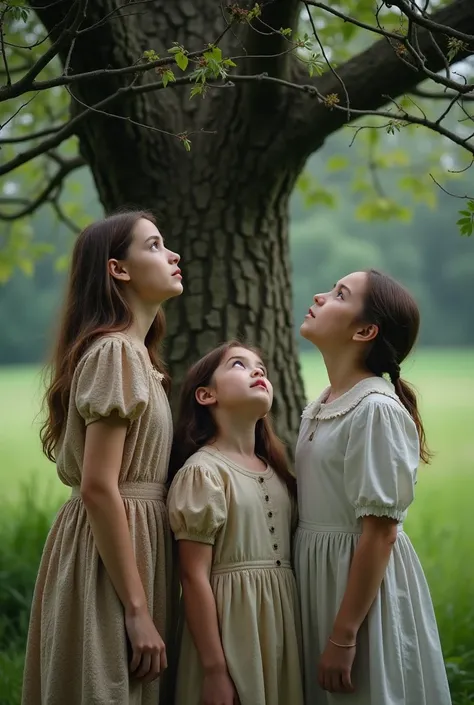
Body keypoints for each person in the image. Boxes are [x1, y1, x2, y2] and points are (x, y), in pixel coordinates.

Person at [22, 210, 183, 705]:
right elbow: (97, 485)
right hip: (109, 554)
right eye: (154, 245)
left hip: (137, 546)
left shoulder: (140, 357)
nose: (174, 255)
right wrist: (136, 608)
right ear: (118, 269)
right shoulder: (114, 353)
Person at [294, 268, 452, 705]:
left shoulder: (374, 410)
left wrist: (345, 636)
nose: (320, 296)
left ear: (364, 330)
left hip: (359, 596)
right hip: (318, 580)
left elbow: (380, 532)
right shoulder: (322, 404)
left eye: (339, 294)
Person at [167, 341, 304, 705]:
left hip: (280, 628)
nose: (258, 372)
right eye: (239, 365)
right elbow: (193, 576)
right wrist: (214, 669)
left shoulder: (278, 472)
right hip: (229, 632)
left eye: (260, 366)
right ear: (206, 395)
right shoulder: (203, 472)